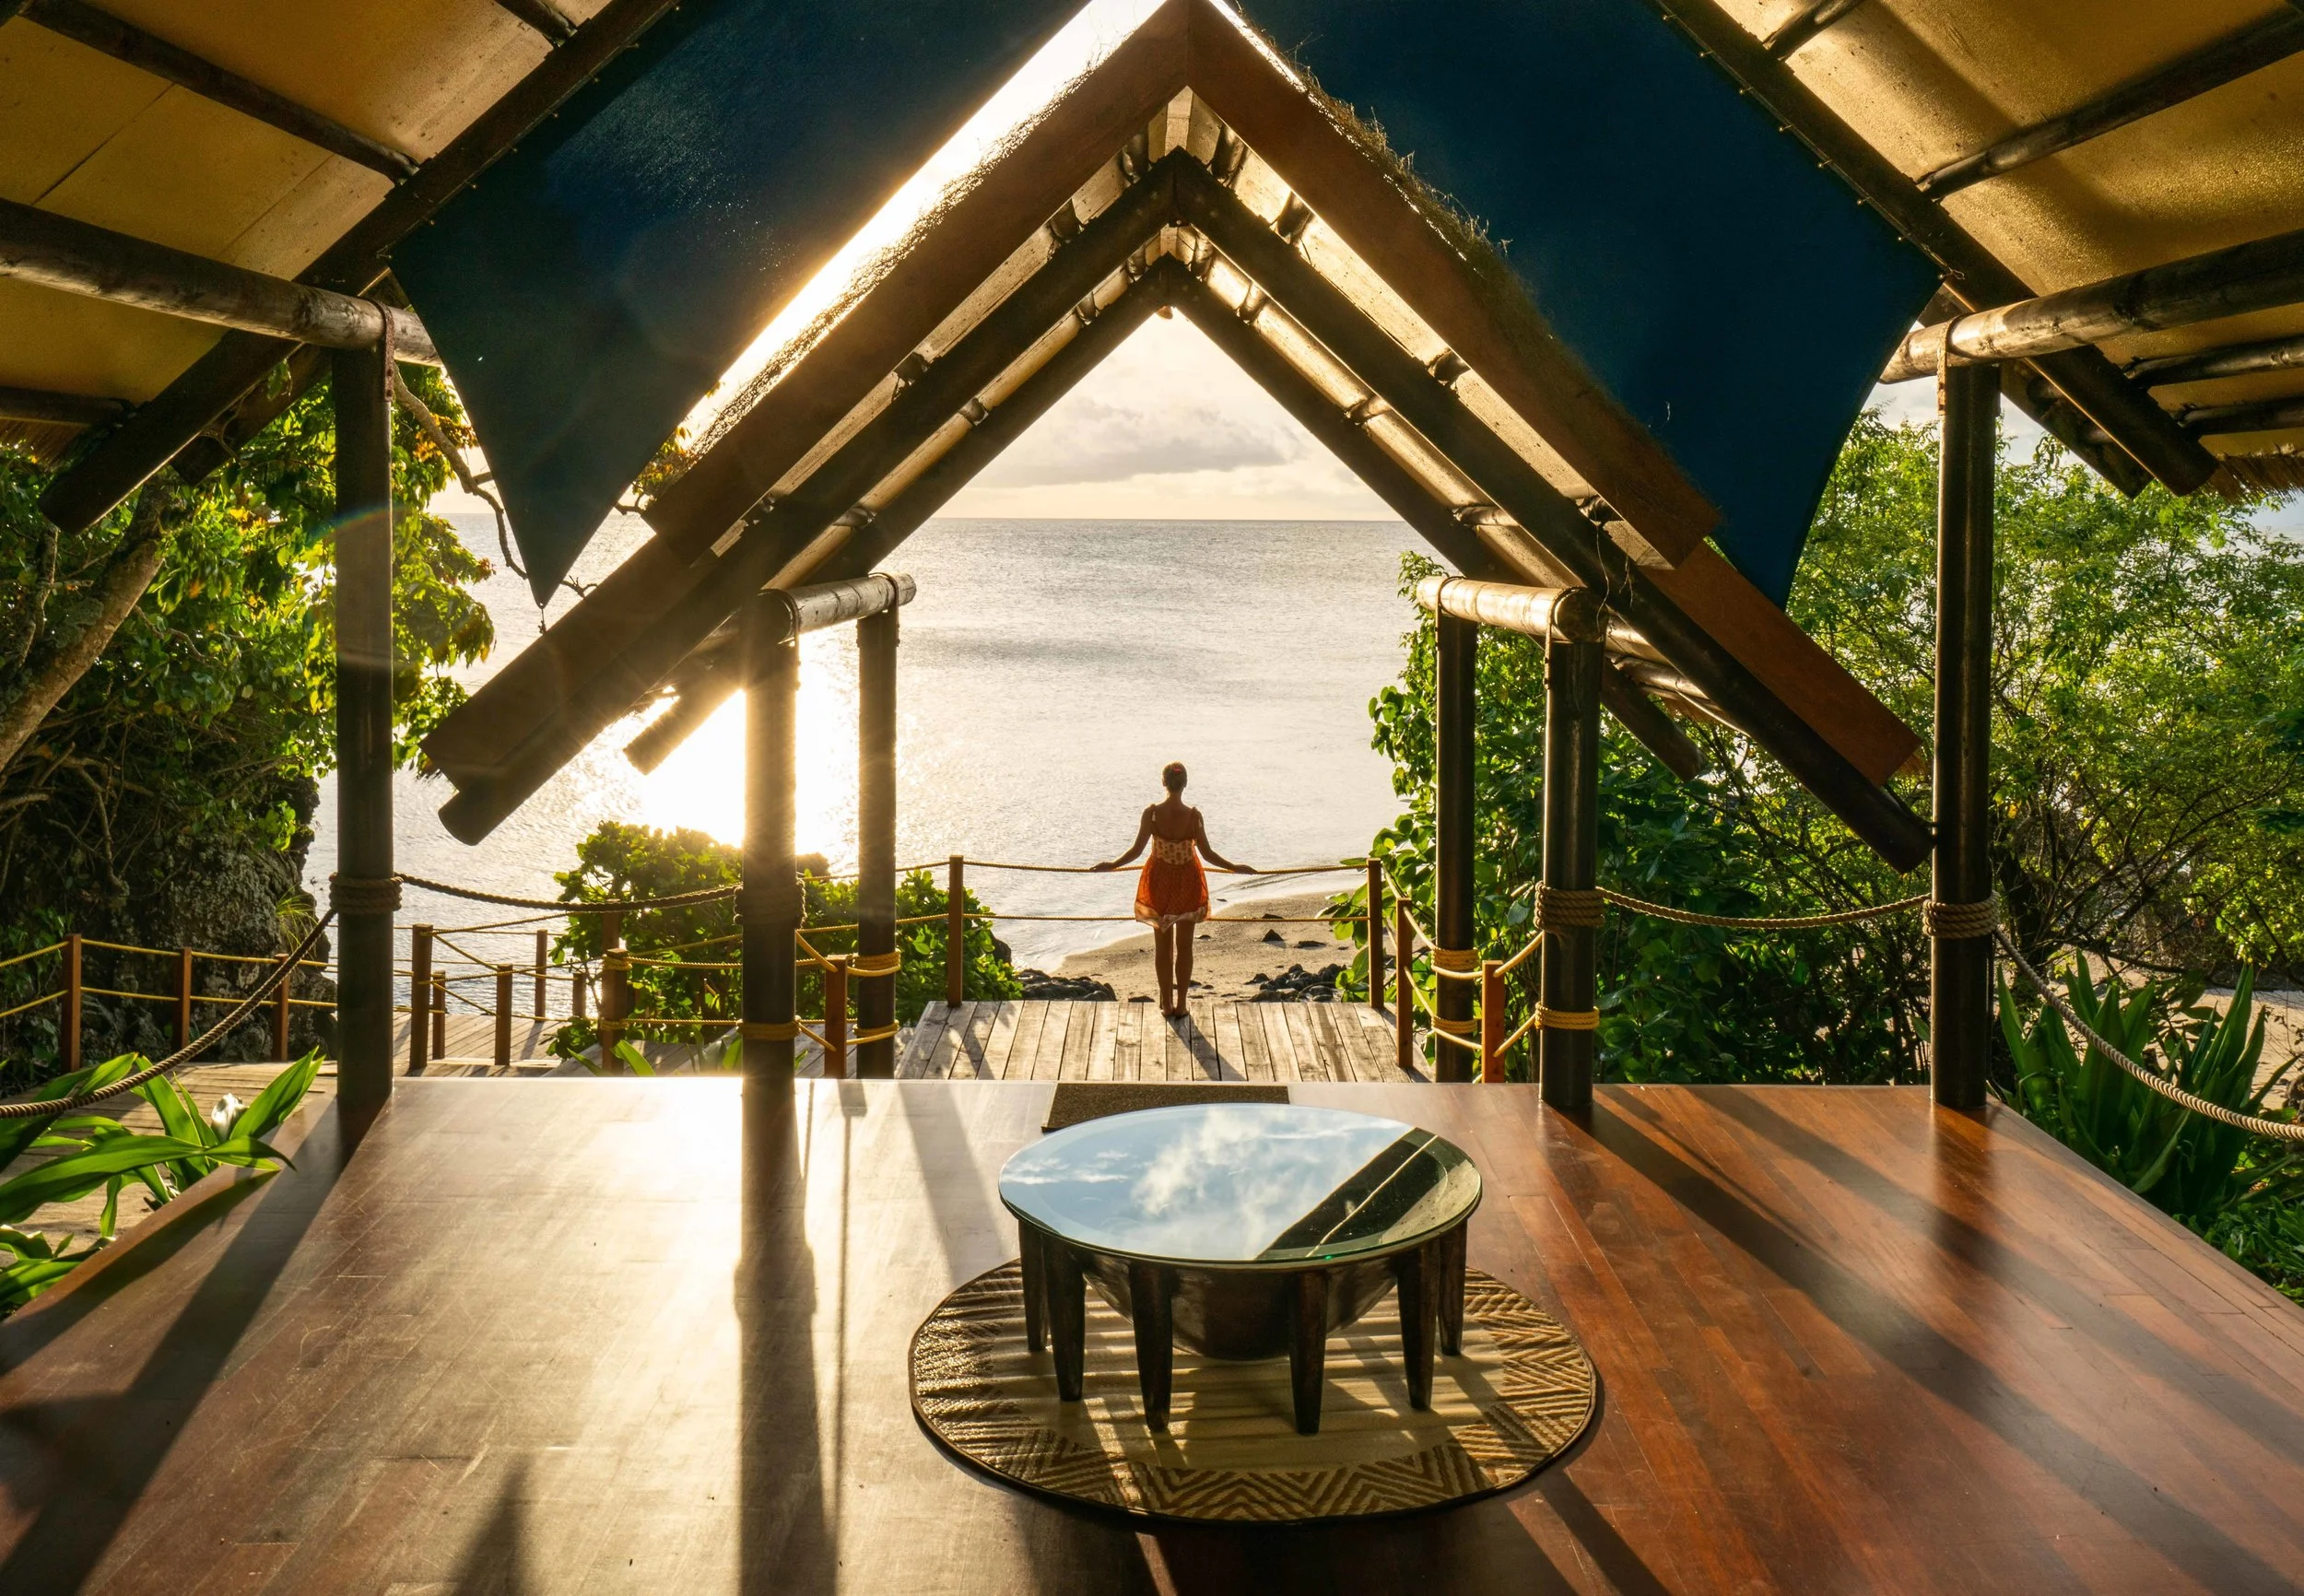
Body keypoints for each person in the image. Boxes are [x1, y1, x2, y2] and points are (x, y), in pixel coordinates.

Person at [1093, 762, 1251, 1017]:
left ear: (1163, 783)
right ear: (1185, 783)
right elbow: (1208, 854)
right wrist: (1234, 867)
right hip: (1188, 881)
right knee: (1185, 947)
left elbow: (1135, 851)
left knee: (1163, 947)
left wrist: (1112, 865)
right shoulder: (1193, 816)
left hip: (1159, 880)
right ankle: (1181, 1004)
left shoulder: (1152, 814)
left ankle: (1166, 1003)